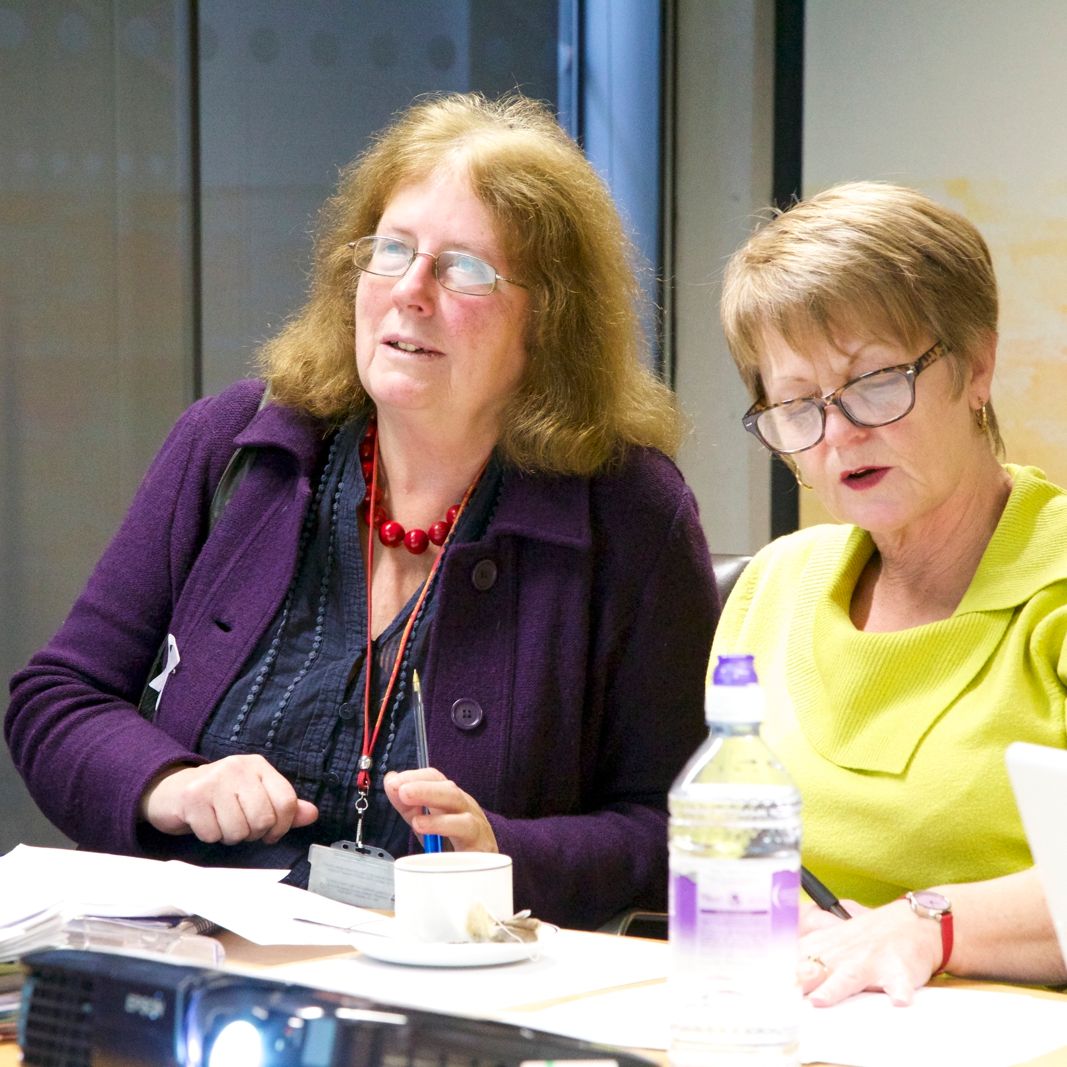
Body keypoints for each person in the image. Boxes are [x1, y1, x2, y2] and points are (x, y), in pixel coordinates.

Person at [6, 92, 717, 931]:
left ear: (549, 321)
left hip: (458, 984)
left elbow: (681, 826)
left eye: (464, 269)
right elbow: (58, 698)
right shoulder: (235, 445)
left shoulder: (629, 513)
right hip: (203, 967)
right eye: (392, 250)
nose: (410, 291)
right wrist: (173, 783)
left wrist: (504, 849)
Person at [714, 181, 1067, 1003]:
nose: (838, 432)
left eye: (874, 380)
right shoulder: (770, 588)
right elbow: (726, 848)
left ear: (975, 366)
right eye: (796, 403)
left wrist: (928, 923)